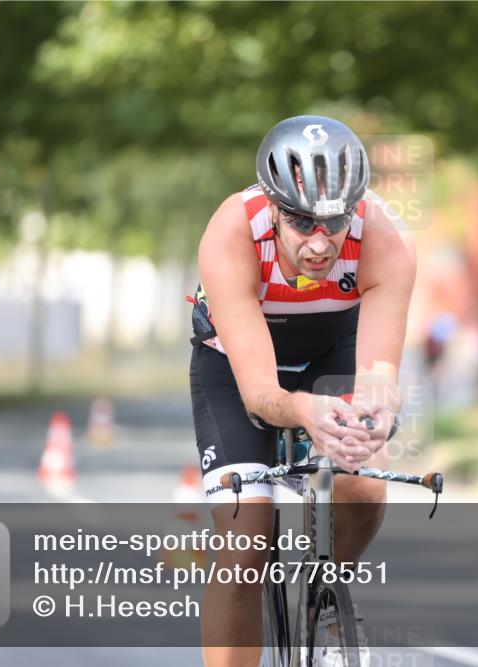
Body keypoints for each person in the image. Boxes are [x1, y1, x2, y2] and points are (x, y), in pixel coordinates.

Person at [188, 115, 416, 667]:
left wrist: (376, 415)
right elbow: (260, 393)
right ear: (271, 207)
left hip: (330, 352)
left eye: (334, 224)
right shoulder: (232, 233)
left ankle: (327, 593)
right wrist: (301, 412)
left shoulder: (383, 240)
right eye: (300, 223)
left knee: (363, 487)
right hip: (238, 367)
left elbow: (379, 377)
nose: (319, 243)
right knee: (246, 545)